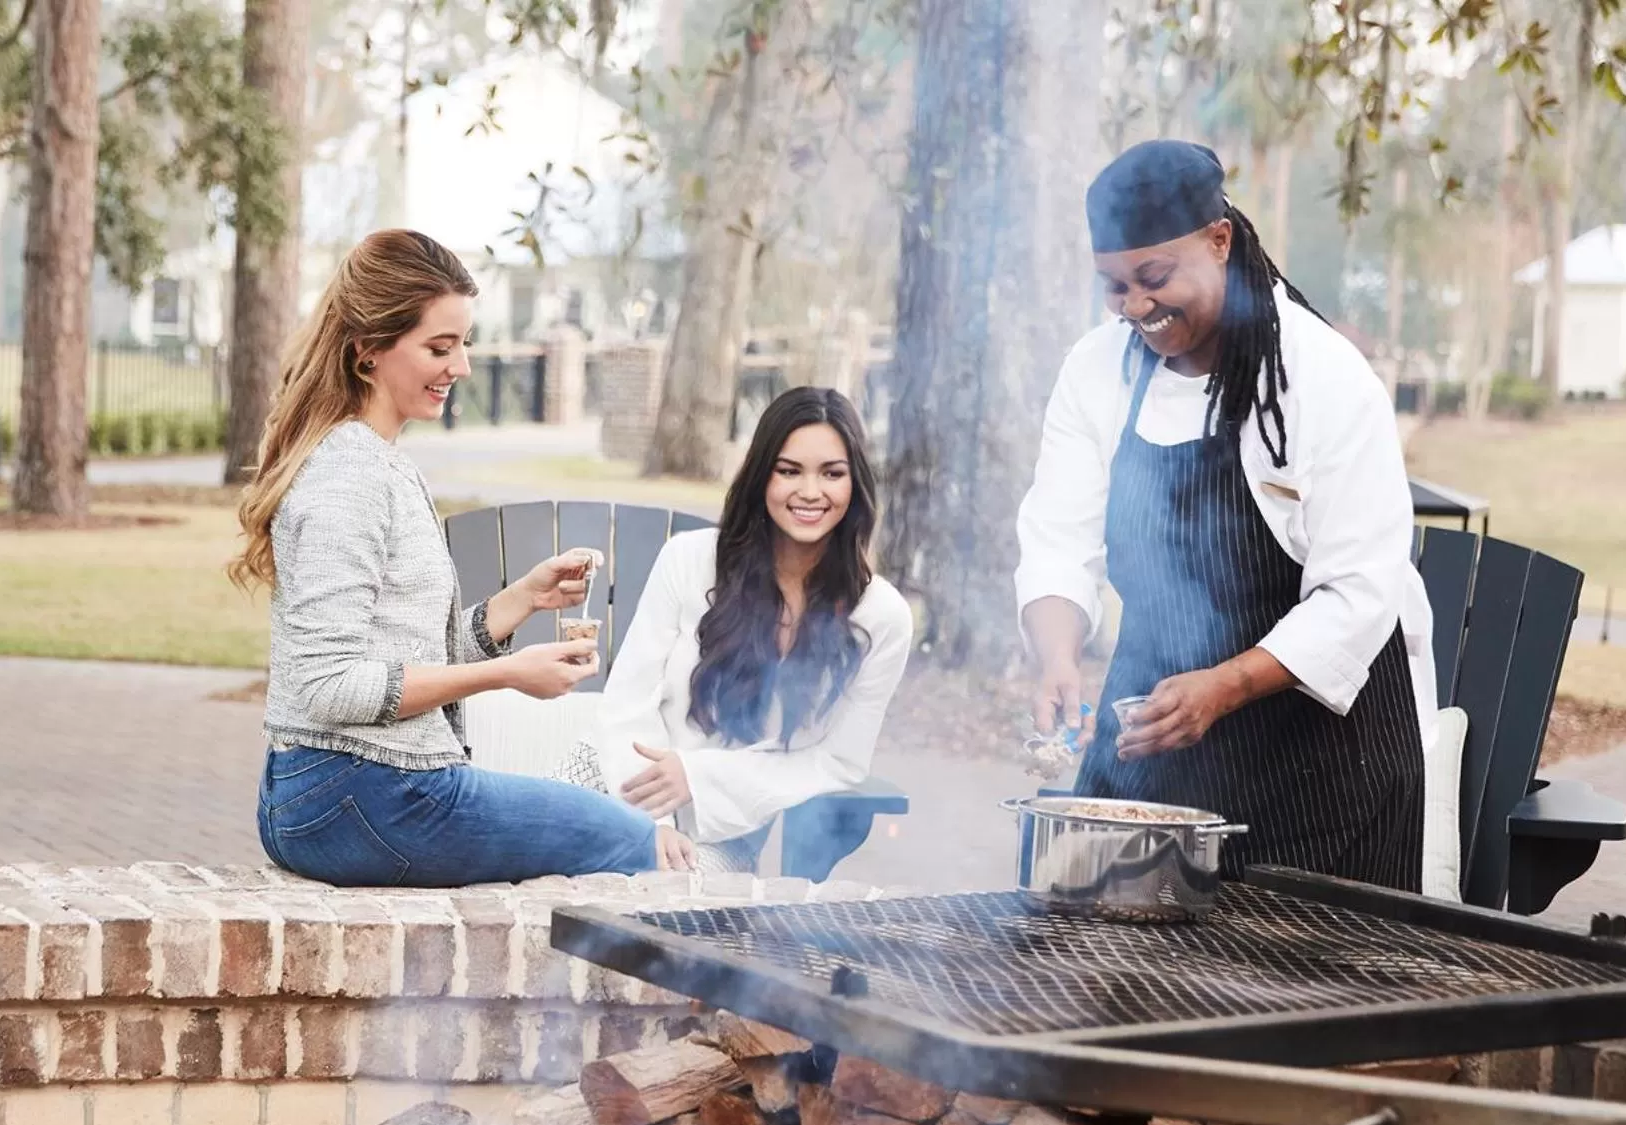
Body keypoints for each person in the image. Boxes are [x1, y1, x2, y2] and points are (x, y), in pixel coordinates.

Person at [1015, 140, 1434, 889]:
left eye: (1154, 278)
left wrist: (1224, 687)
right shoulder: (1094, 370)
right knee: (1103, 961)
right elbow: (1057, 540)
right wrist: (1056, 656)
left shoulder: (1322, 378)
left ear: (1219, 239)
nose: (1136, 307)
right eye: (1113, 288)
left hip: (1321, 767)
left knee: (1296, 995)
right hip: (1156, 740)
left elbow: (1358, 591)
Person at [231, 229, 658, 885]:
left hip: (342, 794)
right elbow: (328, 686)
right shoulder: (349, 481)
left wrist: (522, 601)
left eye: (463, 343)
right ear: (368, 352)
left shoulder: (376, 462)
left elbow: (398, 661)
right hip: (365, 796)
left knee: (619, 828)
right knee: (632, 839)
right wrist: (507, 674)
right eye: (439, 347)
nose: (460, 367)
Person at [550, 387, 913, 872]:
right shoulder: (689, 560)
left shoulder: (880, 618)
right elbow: (627, 704)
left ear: (856, 485)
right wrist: (651, 822)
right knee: (532, 899)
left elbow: (838, 762)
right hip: (610, 781)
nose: (810, 491)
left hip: (723, 823)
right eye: (789, 471)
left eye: (832, 473)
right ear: (762, 476)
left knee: (669, 917)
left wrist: (697, 777)